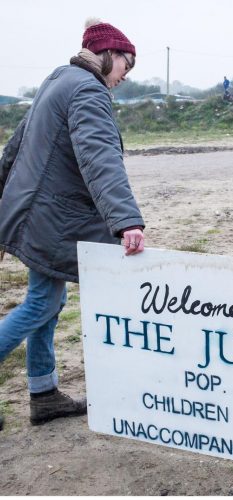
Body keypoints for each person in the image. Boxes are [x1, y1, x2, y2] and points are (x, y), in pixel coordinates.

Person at [0, 18, 145, 428]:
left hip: (35, 212)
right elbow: (99, 158)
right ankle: (43, 393)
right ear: (106, 55)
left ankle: (44, 394)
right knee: (42, 303)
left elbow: (15, 145)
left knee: (47, 300)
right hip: (51, 218)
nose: (124, 76)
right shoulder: (86, 90)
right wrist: (126, 221)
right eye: (124, 65)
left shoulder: (58, 80)